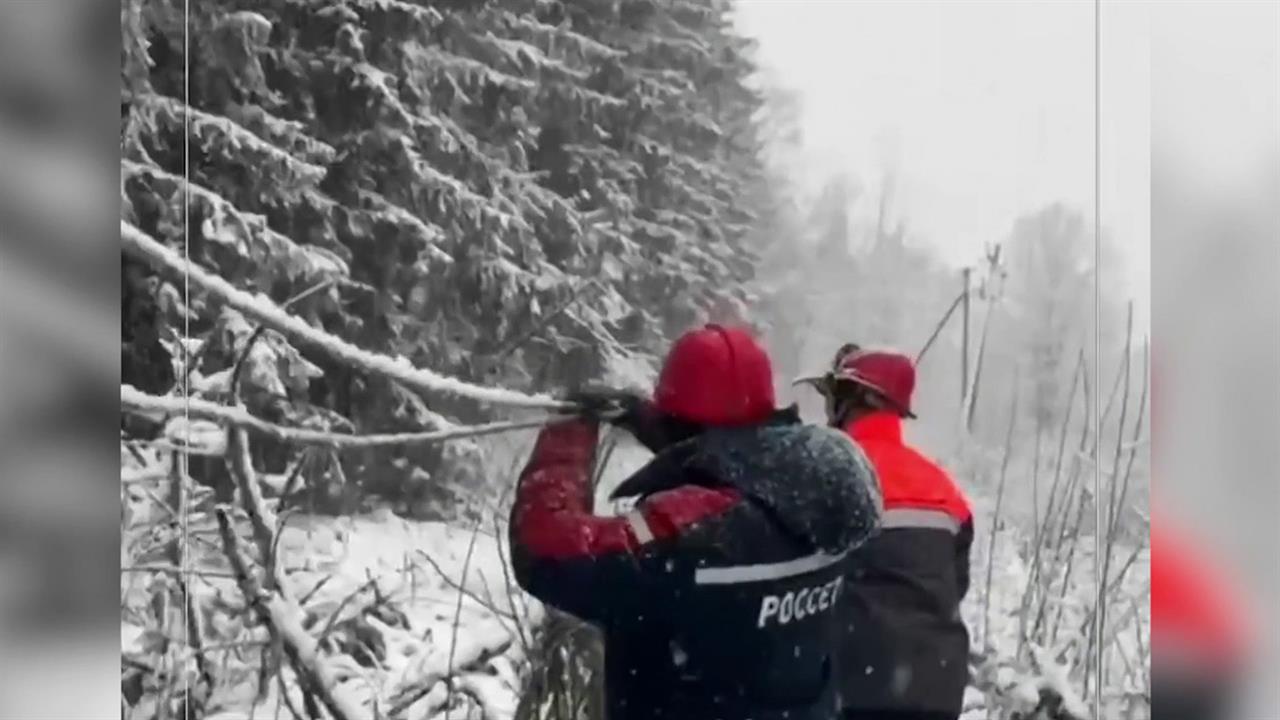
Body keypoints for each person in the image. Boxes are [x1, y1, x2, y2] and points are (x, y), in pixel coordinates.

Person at [509, 324, 882, 720]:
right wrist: (654, 425)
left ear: (681, 423)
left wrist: (569, 433)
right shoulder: (812, 501)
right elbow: (734, 460)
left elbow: (549, 550)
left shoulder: (693, 534)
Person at [798, 346, 973, 720]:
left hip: (851, 690)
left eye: (834, 399)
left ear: (855, 400)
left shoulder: (826, 474)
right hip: (936, 690)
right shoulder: (943, 487)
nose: (829, 412)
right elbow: (955, 585)